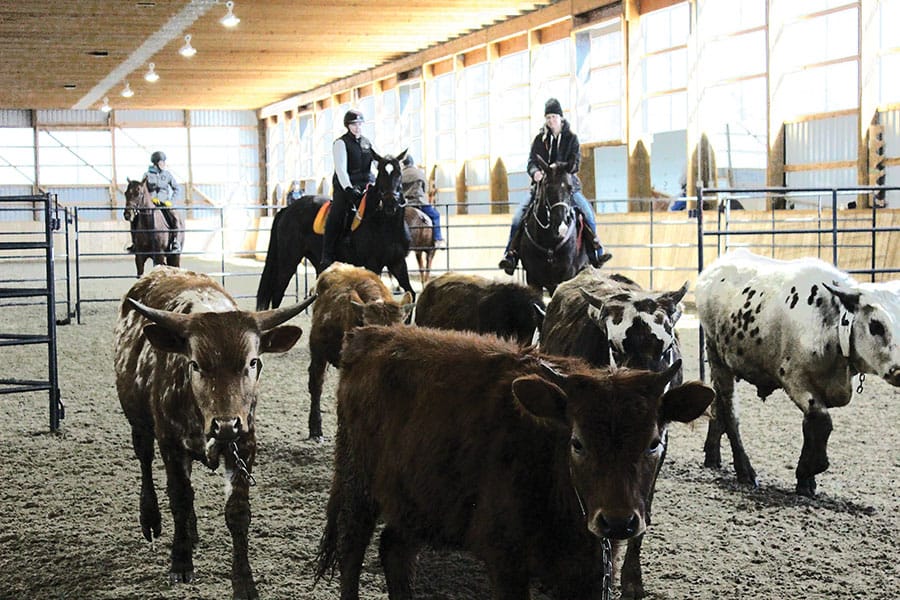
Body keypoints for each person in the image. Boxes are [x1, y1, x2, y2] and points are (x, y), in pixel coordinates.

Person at [498, 98, 609, 275]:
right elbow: (531, 162)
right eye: (548, 117)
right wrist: (535, 172)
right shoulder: (539, 140)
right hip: (542, 188)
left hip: (566, 187)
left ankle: (596, 251)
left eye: (554, 117)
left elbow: (576, 163)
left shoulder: (571, 138)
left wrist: (561, 169)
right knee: (518, 217)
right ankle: (511, 255)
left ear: (561, 118)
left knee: (587, 213)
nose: (551, 120)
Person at [321, 109, 375, 269]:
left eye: (359, 123)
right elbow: (341, 169)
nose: (357, 127)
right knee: (338, 213)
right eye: (354, 124)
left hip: (366, 184)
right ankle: (327, 254)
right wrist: (349, 189)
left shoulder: (367, 143)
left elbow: (377, 162)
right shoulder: (341, 143)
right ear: (348, 125)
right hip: (346, 187)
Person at [400, 154, 444, 248]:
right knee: (435, 215)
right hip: (419, 202)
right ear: (412, 162)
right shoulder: (419, 173)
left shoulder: (400, 174)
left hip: (405, 203)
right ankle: (438, 239)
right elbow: (425, 189)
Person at [143, 150, 181, 253]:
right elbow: (143, 191)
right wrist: (151, 198)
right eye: (162, 162)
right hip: (151, 204)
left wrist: (171, 202)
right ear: (156, 163)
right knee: (137, 218)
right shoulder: (147, 175)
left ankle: (175, 241)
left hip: (165, 203)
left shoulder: (167, 175)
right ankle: (134, 242)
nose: (163, 164)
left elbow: (177, 189)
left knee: (175, 217)